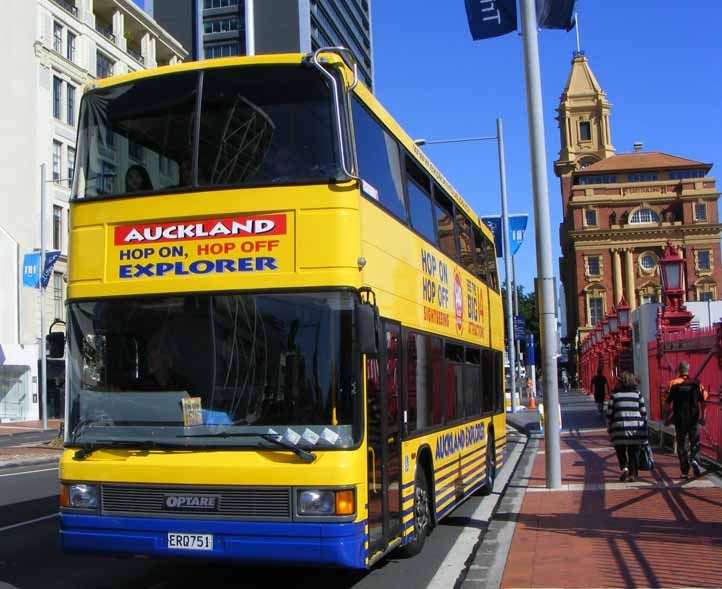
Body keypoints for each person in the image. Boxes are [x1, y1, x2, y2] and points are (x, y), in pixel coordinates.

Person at [665, 361, 706, 478]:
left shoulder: (673, 384)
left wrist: (666, 418)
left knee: (681, 444)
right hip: (693, 418)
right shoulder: (697, 383)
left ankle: (684, 470)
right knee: (695, 441)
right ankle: (695, 460)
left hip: (679, 419)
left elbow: (667, 404)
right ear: (688, 370)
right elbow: (703, 402)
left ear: (679, 370)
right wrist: (703, 417)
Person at [607, 371, 648, 482]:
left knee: (620, 448)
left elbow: (609, 413)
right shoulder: (637, 394)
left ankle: (624, 467)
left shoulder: (614, 395)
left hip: (619, 428)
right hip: (635, 428)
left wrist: (609, 426)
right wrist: (644, 424)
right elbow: (643, 412)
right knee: (633, 450)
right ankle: (632, 474)